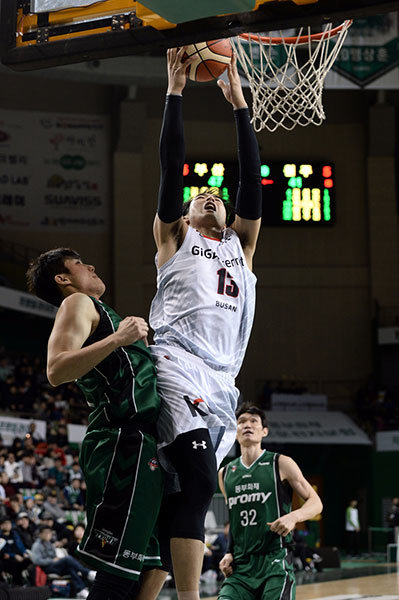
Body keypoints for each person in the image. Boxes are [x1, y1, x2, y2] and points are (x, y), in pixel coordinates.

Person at [149, 47, 262, 599]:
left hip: (221, 379)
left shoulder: (242, 246)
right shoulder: (175, 238)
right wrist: (175, 92)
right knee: (196, 481)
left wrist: (240, 103)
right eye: (202, 197)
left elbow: (252, 183)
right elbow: (173, 167)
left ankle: (147, 586)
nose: (211, 198)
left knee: (183, 496)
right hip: (175, 360)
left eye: (218, 197)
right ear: (186, 215)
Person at [26, 249, 167, 600]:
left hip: (143, 443)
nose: (91, 265)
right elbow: (56, 369)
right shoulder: (77, 303)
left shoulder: (104, 312)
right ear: (63, 279)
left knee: (149, 566)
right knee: (119, 572)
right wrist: (118, 339)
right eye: (79, 264)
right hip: (122, 443)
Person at [217, 404, 323, 600]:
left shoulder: (281, 463)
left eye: (253, 421)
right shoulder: (225, 474)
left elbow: (315, 502)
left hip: (274, 561)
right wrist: (228, 552)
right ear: (235, 431)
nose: (247, 425)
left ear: (264, 431)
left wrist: (293, 517)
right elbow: (235, 520)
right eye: (241, 422)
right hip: (240, 567)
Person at [31, 524, 94, 599]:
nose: (48, 534)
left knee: (70, 568)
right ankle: (87, 573)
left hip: (55, 566)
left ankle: (81, 590)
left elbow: (54, 556)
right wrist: (52, 560)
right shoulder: (37, 545)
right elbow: (36, 561)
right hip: (46, 568)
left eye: (50, 532)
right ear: (40, 534)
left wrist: (55, 559)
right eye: (46, 532)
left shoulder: (49, 543)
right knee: (67, 558)